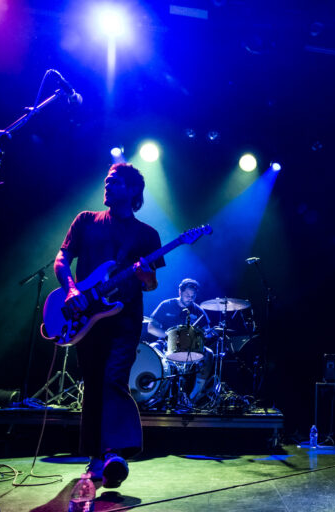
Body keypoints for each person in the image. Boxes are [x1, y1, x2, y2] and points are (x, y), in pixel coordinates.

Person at [54, 162, 164, 488]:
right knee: (93, 386)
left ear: (132, 190)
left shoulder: (147, 235)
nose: (107, 185)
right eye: (106, 181)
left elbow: (151, 283)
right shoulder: (86, 221)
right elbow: (62, 258)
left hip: (124, 319)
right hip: (88, 319)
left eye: (114, 182)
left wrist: (145, 276)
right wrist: (71, 290)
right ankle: (96, 457)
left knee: (114, 379)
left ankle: (116, 452)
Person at [148, 278, 213, 402]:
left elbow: (206, 332)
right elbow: (151, 327)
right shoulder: (166, 305)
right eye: (187, 295)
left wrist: (208, 335)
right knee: (152, 348)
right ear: (180, 292)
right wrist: (168, 336)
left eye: (193, 296)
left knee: (208, 354)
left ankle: (195, 395)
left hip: (189, 347)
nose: (190, 298)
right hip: (166, 344)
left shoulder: (198, 310)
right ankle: (153, 393)